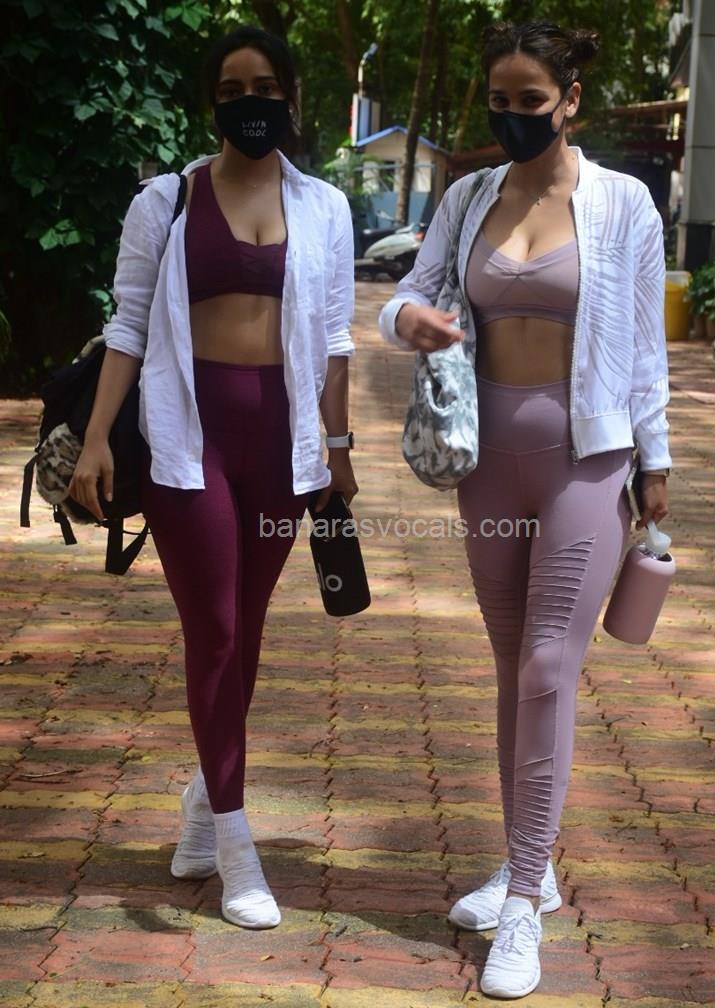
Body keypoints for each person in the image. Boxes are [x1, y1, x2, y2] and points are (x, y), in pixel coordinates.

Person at [379, 19, 671, 999]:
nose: (512, 118)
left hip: (585, 459)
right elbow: (402, 297)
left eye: (530, 101)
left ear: (569, 100)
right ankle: (527, 866)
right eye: (498, 103)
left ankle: (519, 910)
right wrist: (408, 321)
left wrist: (657, 461)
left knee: (550, 664)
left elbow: (644, 347)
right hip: (486, 462)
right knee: (512, 667)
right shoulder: (467, 198)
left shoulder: (622, 202)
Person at [68, 25, 357, 930]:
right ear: (212, 104)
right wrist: (96, 440)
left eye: (264, 86)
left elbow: (336, 339)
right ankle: (236, 847)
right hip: (188, 441)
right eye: (231, 90)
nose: (249, 103)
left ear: (291, 96)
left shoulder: (326, 207)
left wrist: (338, 448)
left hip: (284, 447)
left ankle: (201, 805)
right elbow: (126, 326)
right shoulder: (165, 201)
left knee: (249, 631)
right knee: (218, 632)